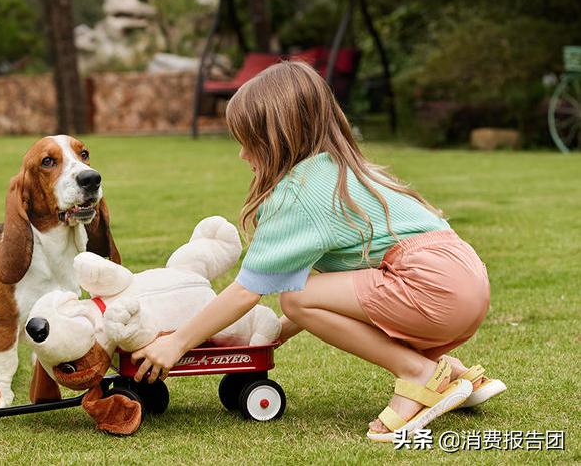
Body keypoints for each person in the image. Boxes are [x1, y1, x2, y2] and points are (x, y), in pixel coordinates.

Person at [131, 61, 506, 441]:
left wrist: (176, 342)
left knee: (296, 299)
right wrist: (274, 333)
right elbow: (334, 296)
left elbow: (248, 292)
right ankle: (448, 372)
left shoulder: (299, 192)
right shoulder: (346, 170)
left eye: (249, 141)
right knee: (309, 296)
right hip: (465, 278)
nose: (243, 154)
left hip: (431, 286)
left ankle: (418, 374)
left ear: (277, 138)